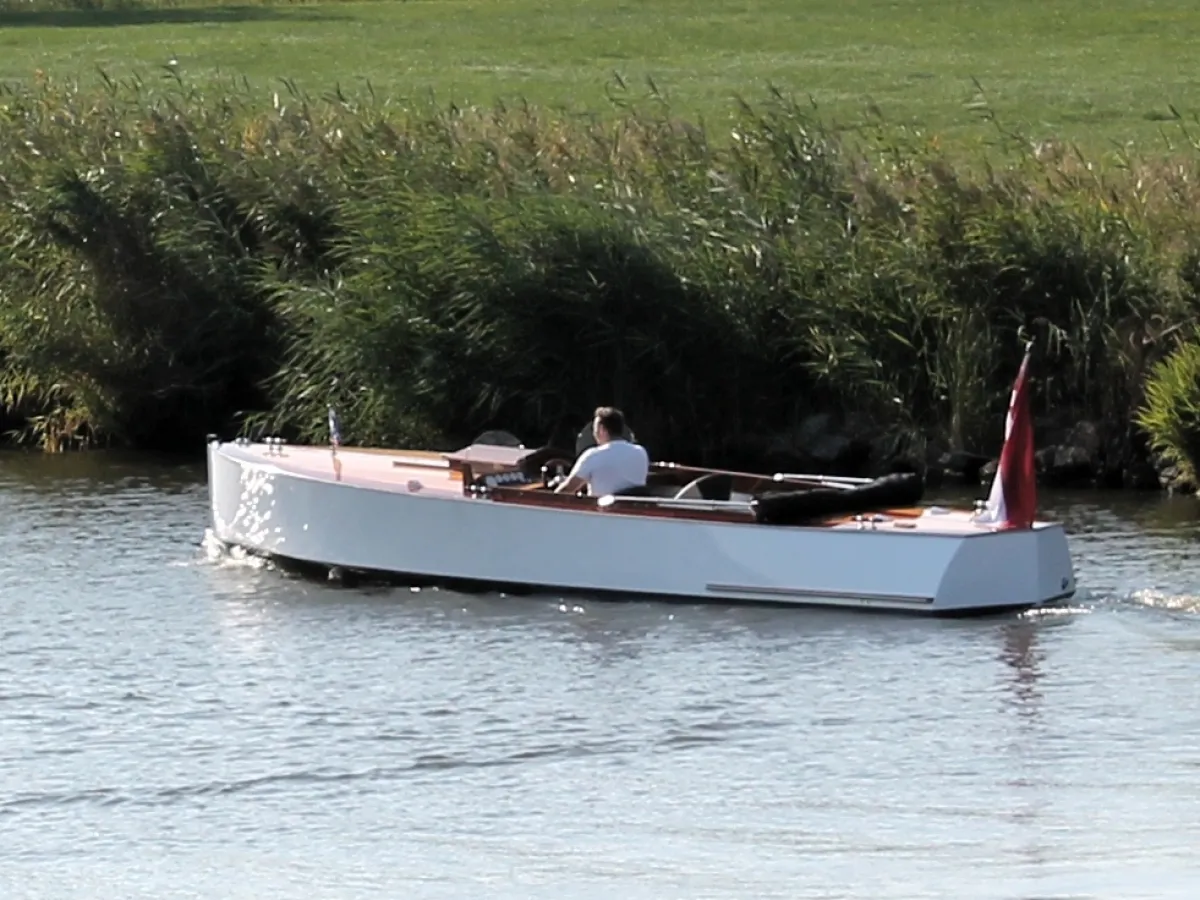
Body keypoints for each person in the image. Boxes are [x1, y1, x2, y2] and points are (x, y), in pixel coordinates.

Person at [554, 406, 649, 497]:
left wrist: (552, 496)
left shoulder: (593, 455)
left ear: (602, 429)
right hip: (635, 510)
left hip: (602, 511)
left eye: (594, 429)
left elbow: (568, 489)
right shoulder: (641, 452)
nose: (594, 434)